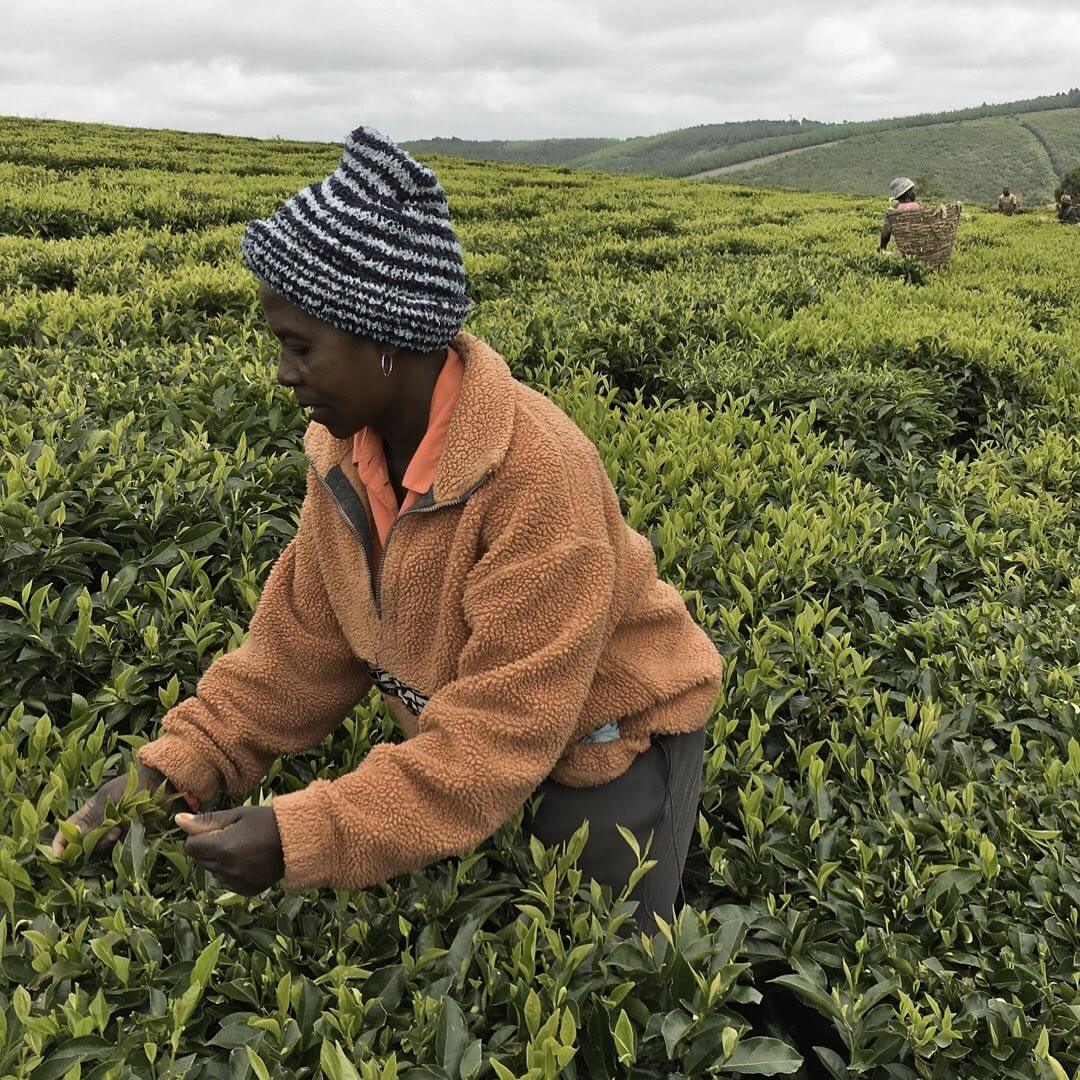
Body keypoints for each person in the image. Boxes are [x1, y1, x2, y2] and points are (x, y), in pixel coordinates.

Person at [50, 125, 724, 937]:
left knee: (597, 953)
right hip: (465, 724)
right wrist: (170, 773)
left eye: (299, 346)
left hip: (609, 735)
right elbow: (296, 651)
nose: (281, 373)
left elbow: (496, 740)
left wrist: (304, 836)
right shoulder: (343, 458)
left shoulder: (539, 478)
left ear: (384, 338)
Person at [879, 177, 921, 251]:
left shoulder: (893, 210)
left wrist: (882, 247)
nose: (915, 193)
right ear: (908, 193)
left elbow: (885, 234)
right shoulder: (919, 206)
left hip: (902, 250)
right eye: (912, 190)